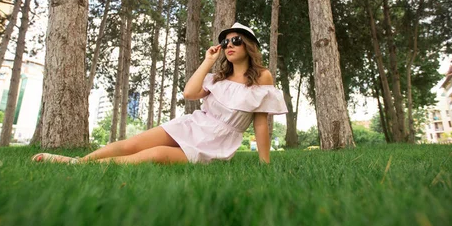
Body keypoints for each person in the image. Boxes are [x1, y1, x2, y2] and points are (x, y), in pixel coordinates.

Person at [32, 22, 287, 165]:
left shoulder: (262, 77)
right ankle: (78, 163)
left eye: (236, 41)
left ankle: (83, 169)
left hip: (216, 140)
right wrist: (208, 60)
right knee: (131, 144)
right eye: (225, 42)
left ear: (249, 45)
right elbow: (190, 93)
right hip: (194, 124)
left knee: (155, 155)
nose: (229, 45)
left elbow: (261, 123)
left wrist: (265, 164)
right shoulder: (217, 77)